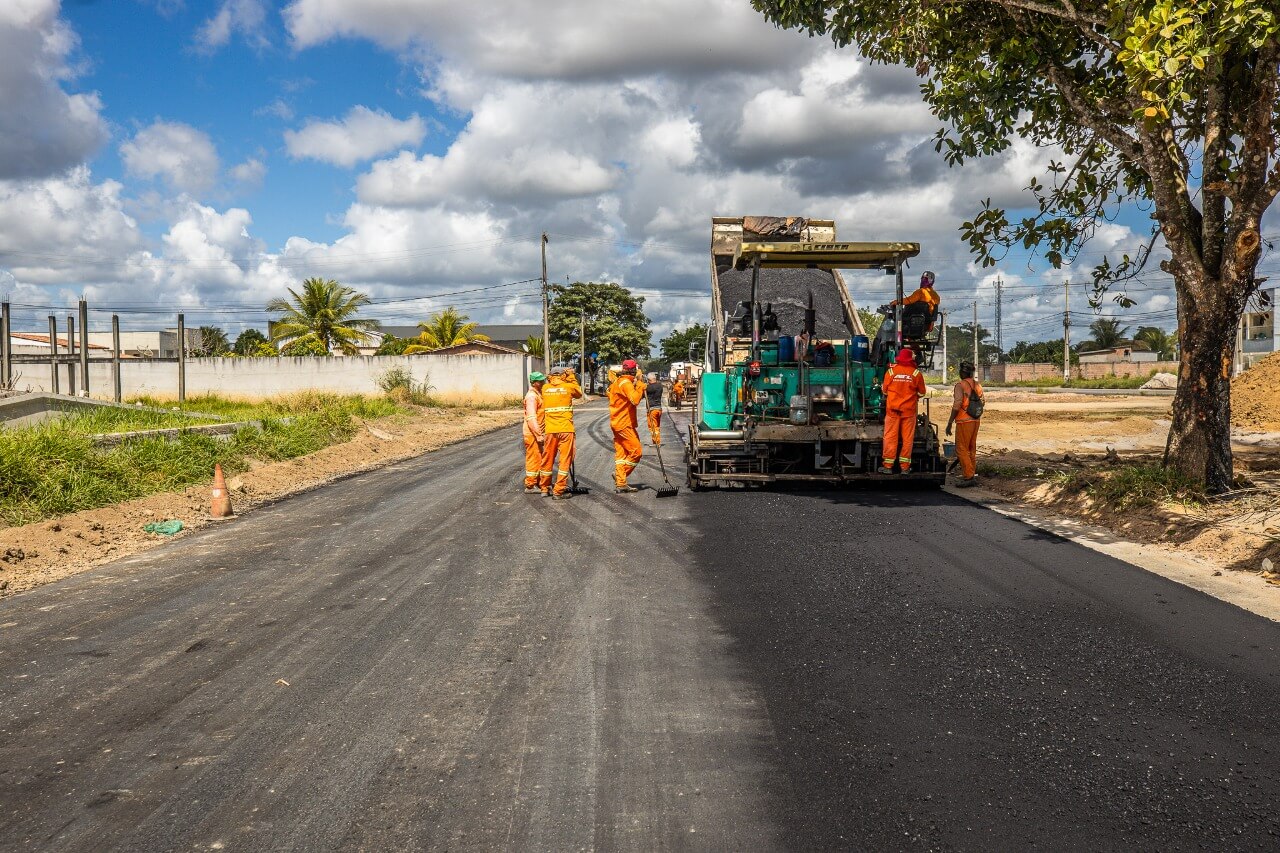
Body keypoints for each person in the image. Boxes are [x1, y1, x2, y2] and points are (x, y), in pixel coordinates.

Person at [880, 348, 928, 474]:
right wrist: (913, 396)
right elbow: (922, 392)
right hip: (909, 412)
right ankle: (905, 467)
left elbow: (884, 391)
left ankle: (888, 467)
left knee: (890, 438)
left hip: (892, 412)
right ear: (911, 359)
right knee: (907, 440)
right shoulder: (916, 374)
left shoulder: (890, 372)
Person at [539, 367, 582, 499]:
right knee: (564, 461)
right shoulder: (568, 386)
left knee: (548, 459)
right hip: (565, 429)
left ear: (550, 376)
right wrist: (571, 376)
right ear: (563, 375)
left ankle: (544, 488)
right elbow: (579, 393)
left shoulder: (545, 388)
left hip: (550, 430)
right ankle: (558, 491)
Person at [608, 359, 646, 493]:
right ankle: (621, 475)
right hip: (624, 424)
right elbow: (635, 400)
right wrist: (640, 385)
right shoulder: (626, 383)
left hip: (617, 422)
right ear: (634, 371)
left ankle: (621, 483)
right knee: (636, 452)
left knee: (621, 454)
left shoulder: (617, 382)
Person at [946, 360, 984, 487]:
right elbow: (983, 402)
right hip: (975, 420)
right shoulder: (977, 385)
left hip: (964, 421)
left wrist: (950, 422)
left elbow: (957, 405)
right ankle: (972, 472)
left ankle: (968, 476)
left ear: (962, 372)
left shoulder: (960, 385)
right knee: (971, 448)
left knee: (961, 449)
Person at [522, 372, 546, 493]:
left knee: (539, 457)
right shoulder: (532, 397)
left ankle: (538, 482)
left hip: (537, 432)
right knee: (534, 458)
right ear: (534, 383)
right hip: (532, 433)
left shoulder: (538, 394)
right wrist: (538, 435)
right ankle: (530, 485)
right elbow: (531, 418)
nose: (543, 383)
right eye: (540, 381)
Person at [643, 372, 664, 445]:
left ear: (649, 380)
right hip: (659, 409)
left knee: (653, 427)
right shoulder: (660, 386)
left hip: (652, 410)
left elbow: (642, 394)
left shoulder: (649, 388)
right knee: (657, 426)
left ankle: (656, 442)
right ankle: (656, 441)